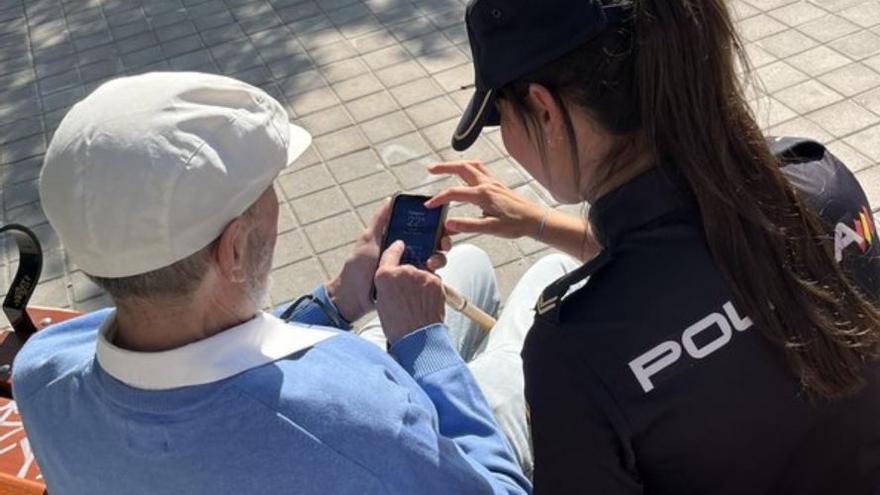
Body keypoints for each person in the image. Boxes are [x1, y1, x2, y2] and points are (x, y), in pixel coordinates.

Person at [410, 0, 880, 493]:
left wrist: (421, 343)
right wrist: (542, 224)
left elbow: (665, 289)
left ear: (545, 111)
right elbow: (703, 268)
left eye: (501, 116)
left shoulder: (573, 351)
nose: (506, 136)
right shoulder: (819, 182)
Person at [11, 72, 532, 495]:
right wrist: (424, 344)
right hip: (386, 435)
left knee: (472, 269)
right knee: (536, 295)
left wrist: (335, 302)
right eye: (267, 191)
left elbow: (197, 353)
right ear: (234, 248)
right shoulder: (354, 410)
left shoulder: (43, 368)